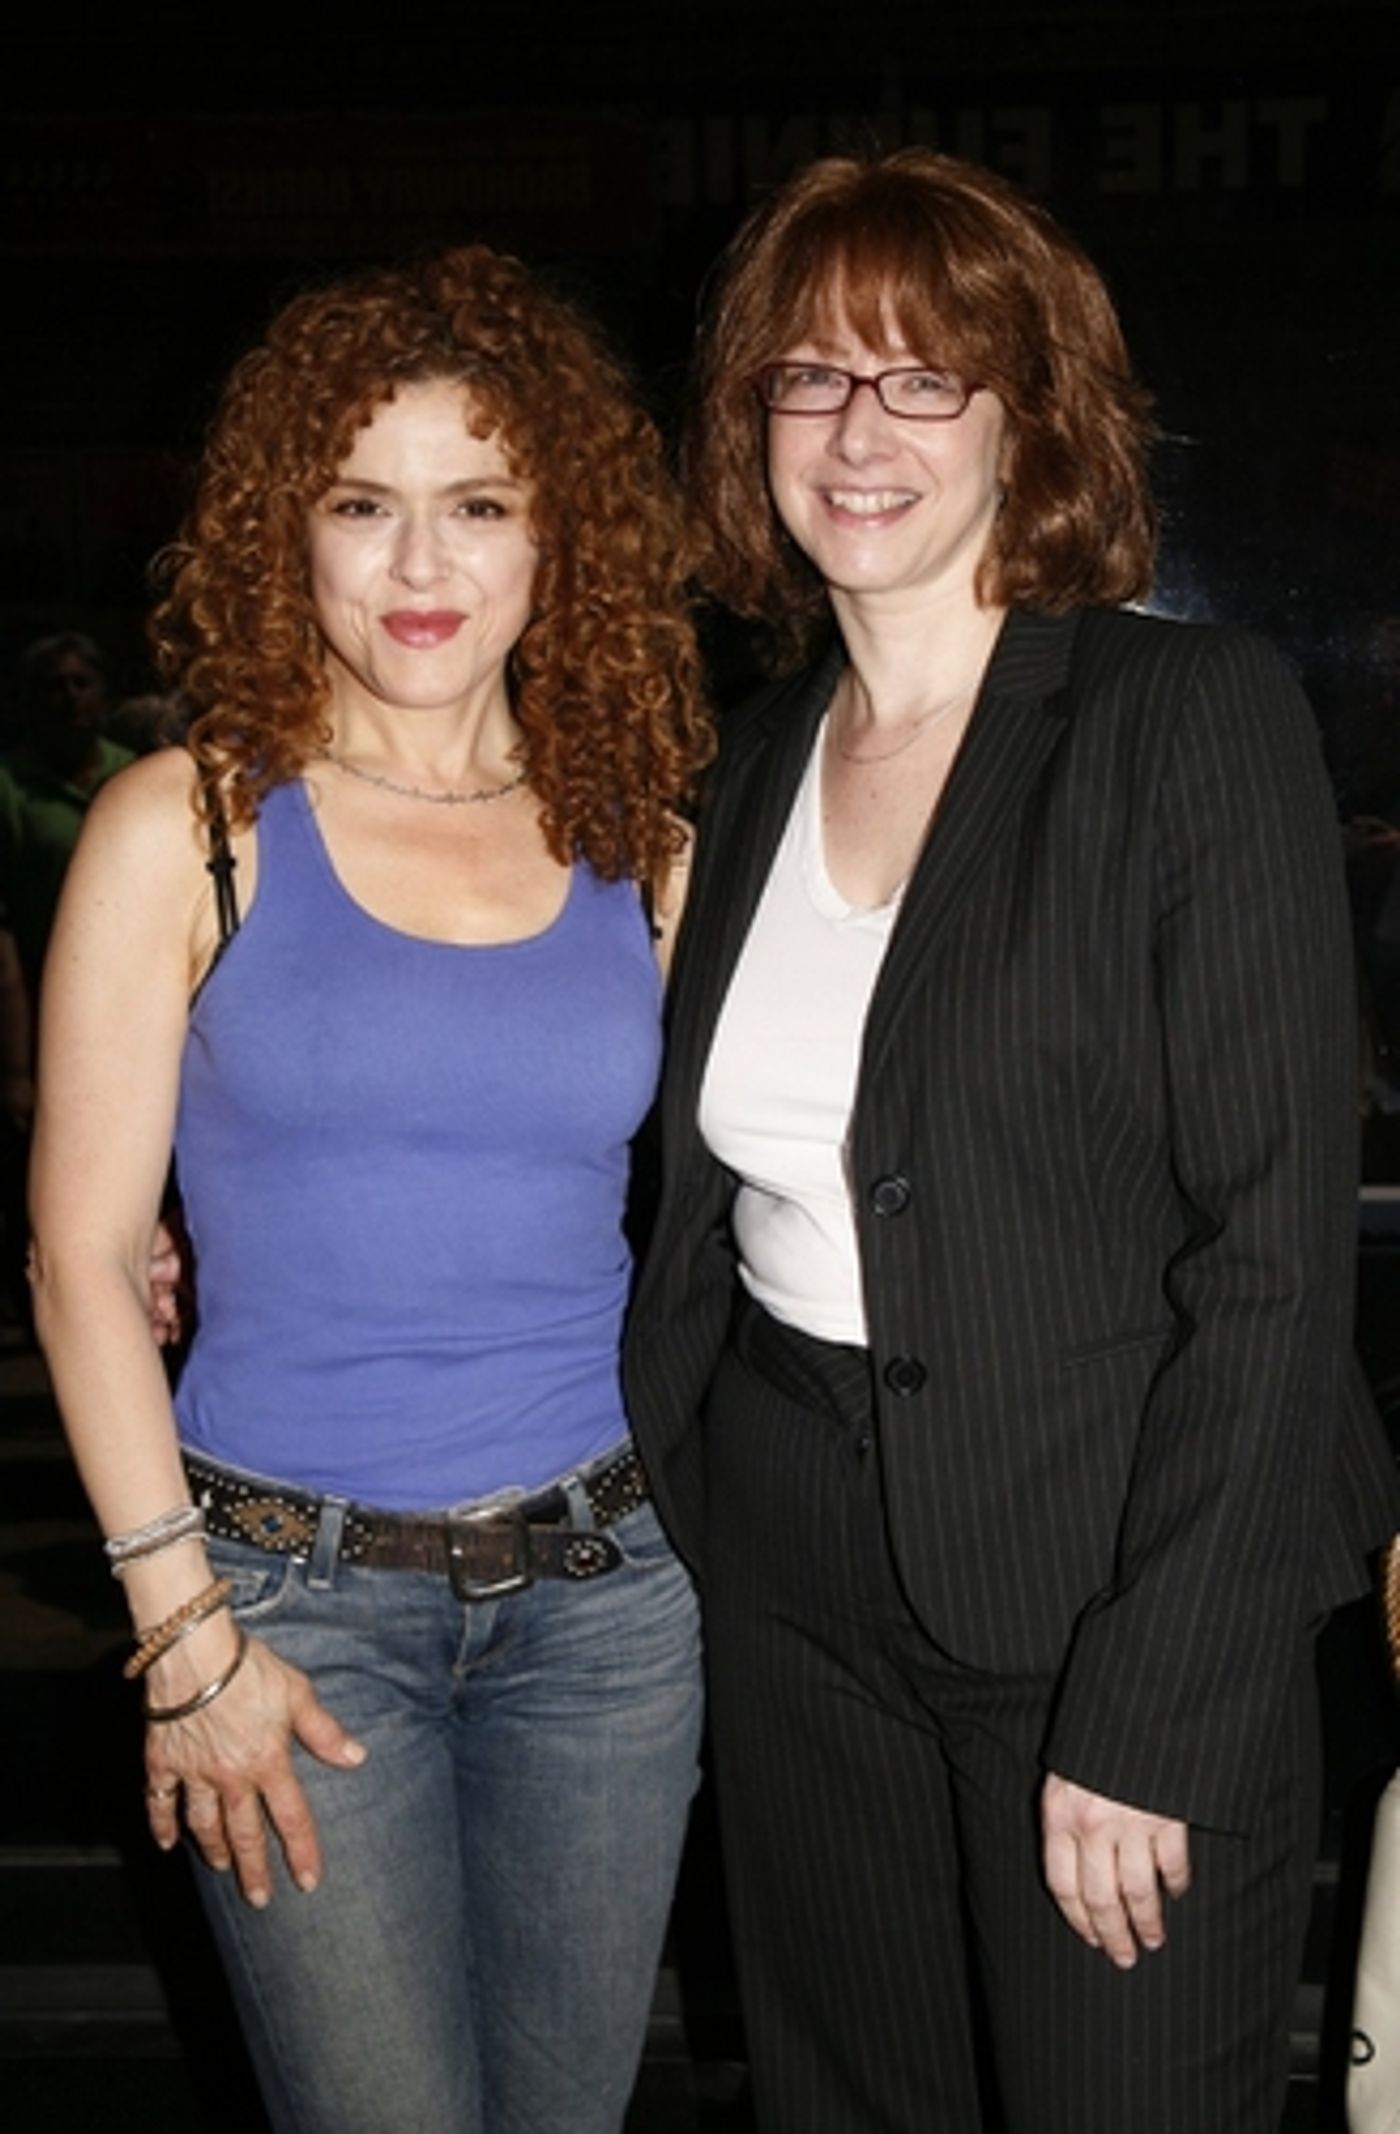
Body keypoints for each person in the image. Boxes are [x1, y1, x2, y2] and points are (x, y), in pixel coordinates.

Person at [621, 148, 1400, 2133]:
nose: (857, 430)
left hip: (1102, 1572)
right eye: (810, 375)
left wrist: (1154, 1697)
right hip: (793, 1571)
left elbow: (1274, 1256)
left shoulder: (1180, 715)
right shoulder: (755, 761)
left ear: (1027, 416)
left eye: (924, 376)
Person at [28, 245, 711, 2134]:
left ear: (559, 537)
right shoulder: (186, 825)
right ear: (287, 533)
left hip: (612, 1603)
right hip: (285, 1607)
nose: (422, 565)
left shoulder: (646, 845)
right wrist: (184, 1636)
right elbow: (80, 1258)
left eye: (478, 504)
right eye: (362, 504)